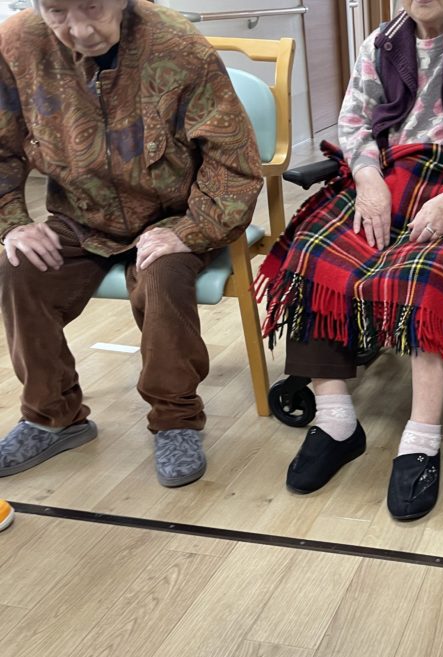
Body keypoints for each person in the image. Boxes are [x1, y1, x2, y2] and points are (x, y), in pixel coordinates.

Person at [257, 0, 443, 519]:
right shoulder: (380, 43)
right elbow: (354, 121)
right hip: (386, 173)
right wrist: (367, 178)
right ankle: (336, 420)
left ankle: (421, 439)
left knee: (427, 279)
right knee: (310, 252)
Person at [0, 0, 263, 487]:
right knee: (20, 267)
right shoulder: (16, 45)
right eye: (57, 11)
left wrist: (190, 230)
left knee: (162, 276)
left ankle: (176, 419)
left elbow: (232, 160)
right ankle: (52, 417)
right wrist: (12, 222)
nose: (80, 29)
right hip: (81, 214)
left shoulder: (178, 45)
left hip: (174, 213)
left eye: (92, 6)